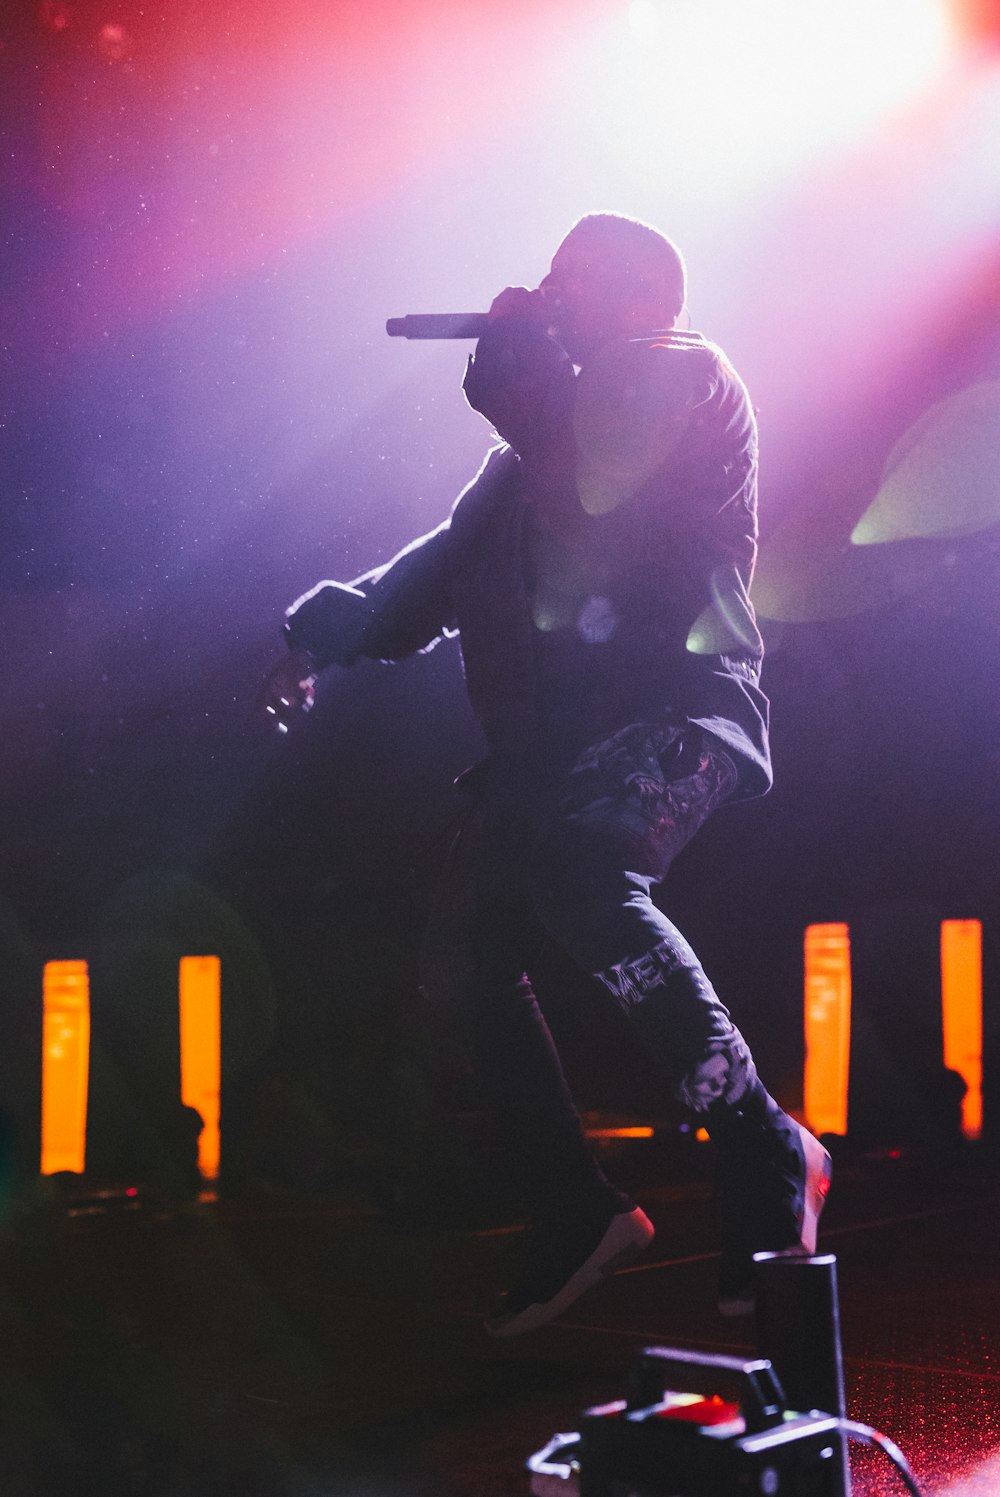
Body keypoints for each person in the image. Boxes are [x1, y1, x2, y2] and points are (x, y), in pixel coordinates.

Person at [260, 211, 831, 1336]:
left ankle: (765, 1145)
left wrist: (522, 373)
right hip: (552, 748)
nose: (552, 293)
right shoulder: (532, 446)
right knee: (463, 953)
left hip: (676, 710)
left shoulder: (684, 374)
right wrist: (323, 635)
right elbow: (435, 568)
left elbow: (603, 472)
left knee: (579, 872)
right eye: (551, 278)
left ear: (648, 296)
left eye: (580, 280)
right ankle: (575, 1209)